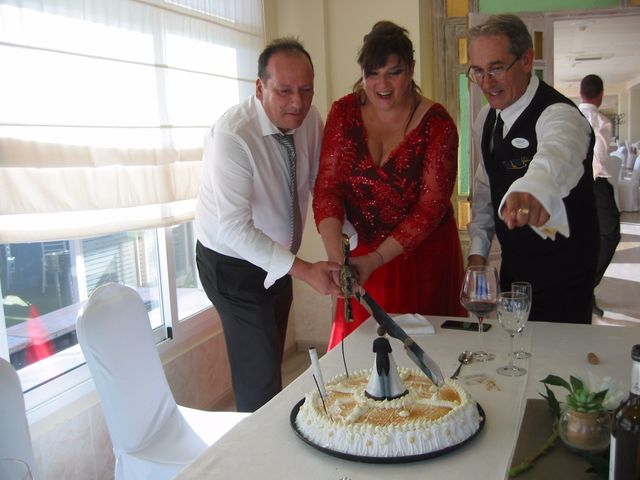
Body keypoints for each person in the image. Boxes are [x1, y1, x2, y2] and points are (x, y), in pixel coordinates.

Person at [195, 37, 341, 412]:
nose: (298, 102)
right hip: (231, 265)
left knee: (271, 361)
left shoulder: (310, 120)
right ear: (260, 88)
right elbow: (235, 230)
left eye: (306, 90)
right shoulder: (233, 137)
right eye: (285, 91)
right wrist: (306, 270)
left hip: (276, 261)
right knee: (259, 381)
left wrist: (346, 242)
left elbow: (319, 186)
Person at [313, 21, 466, 350]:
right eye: (372, 73)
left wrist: (377, 258)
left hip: (421, 257)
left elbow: (431, 208)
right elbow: (328, 188)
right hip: (359, 259)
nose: (382, 84)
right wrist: (334, 256)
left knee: (422, 356)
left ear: (410, 70)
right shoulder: (343, 112)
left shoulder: (437, 124)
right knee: (361, 359)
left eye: (393, 73)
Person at [466, 14, 598, 324]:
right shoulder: (485, 120)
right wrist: (477, 254)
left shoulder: (560, 115)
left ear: (527, 59)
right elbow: (486, 190)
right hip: (516, 270)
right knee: (515, 355)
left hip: (566, 276)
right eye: (478, 72)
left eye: (496, 68)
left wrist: (532, 189)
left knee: (558, 365)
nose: (486, 83)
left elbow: (557, 154)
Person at [578, 74, 621, 317]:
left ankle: (586, 289)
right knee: (610, 234)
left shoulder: (572, 115)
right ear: (601, 95)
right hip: (595, 184)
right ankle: (587, 286)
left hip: (573, 185)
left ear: (581, 93)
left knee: (586, 237)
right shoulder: (601, 121)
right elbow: (600, 159)